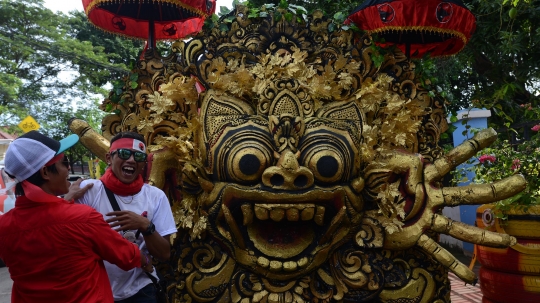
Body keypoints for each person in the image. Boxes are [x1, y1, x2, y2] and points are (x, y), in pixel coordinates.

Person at [0, 131, 153, 303]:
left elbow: (42, 224)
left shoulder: (4, 227)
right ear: (45, 172)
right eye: (64, 163)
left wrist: (65, 201)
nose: (68, 169)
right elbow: (126, 255)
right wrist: (145, 259)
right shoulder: (82, 218)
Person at [67, 131, 176, 303]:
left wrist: (145, 226)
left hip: (141, 290)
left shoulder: (156, 196)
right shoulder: (88, 190)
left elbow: (164, 254)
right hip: (96, 290)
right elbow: (60, 232)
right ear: (109, 158)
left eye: (139, 156)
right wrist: (66, 200)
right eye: (124, 153)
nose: (131, 160)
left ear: (143, 164)